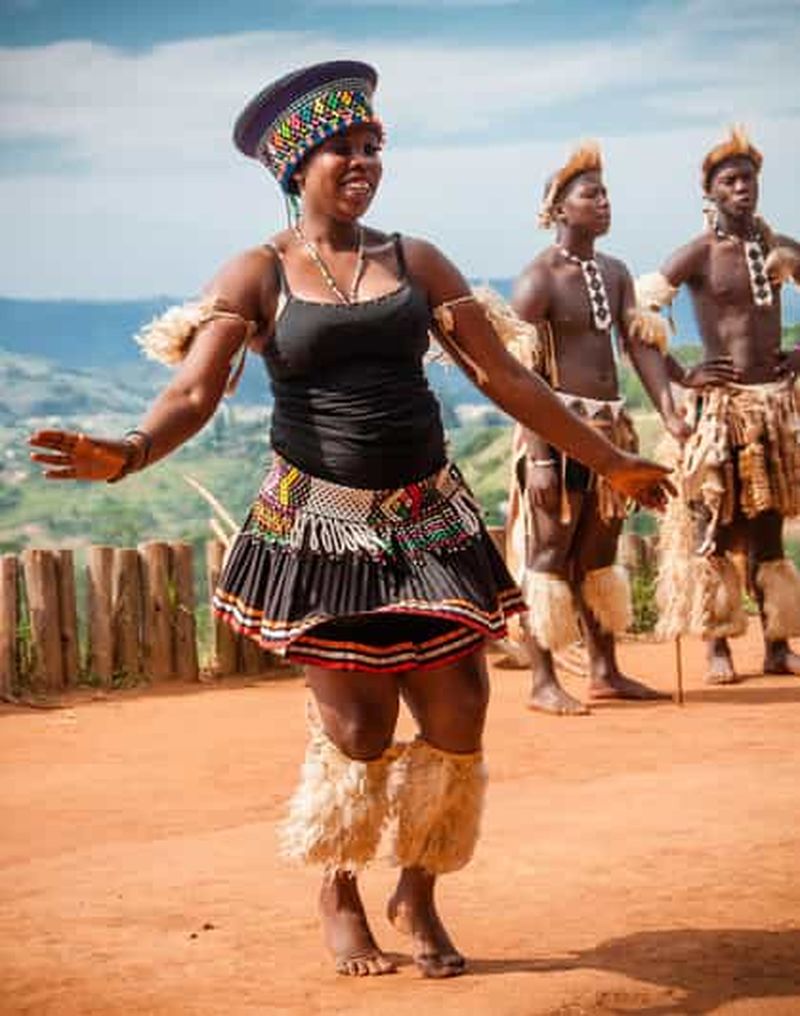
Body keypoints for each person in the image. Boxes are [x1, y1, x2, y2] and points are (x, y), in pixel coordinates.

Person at [28, 62, 672, 979]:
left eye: (374, 145)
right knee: (359, 730)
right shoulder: (258, 271)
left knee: (460, 712)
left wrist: (609, 460)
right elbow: (196, 390)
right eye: (344, 147)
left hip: (430, 521)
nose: (364, 160)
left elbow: (503, 377)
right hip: (318, 531)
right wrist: (130, 451)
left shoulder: (417, 261)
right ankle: (338, 889)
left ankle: (419, 888)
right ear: (298, 164)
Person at [502, 142, 683, 715]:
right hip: (557, 434)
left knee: (599, 554)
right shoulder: (538, 279)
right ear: (559, 208)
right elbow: (521, 376)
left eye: (605, 194)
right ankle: (542, 681)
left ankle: (605, 672)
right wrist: (540, 457)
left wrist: (669, 407)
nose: (604, 203)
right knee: (549, 553)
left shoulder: (615, 272)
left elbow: (639, 344)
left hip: (611, 432)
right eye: (591, 194)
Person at [639, 126, 800, 685]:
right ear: (709, 191)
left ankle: (777, 644)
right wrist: (682, 375)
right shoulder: (698, 253)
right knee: (715, 527)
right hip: (720, 411)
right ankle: (718, 648)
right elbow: (638, 320)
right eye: (729, 181)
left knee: (769, 531)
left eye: (748, 178)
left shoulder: (781, 249)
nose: (741, 188)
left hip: (773, 408)